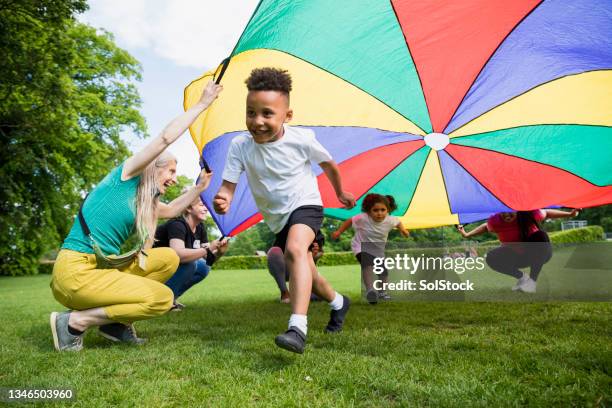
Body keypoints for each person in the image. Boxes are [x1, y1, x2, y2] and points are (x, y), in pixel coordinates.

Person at [49, 81, 223, 351]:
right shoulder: (125, 177)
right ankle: (75, 322)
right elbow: (165, 138)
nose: (174, 179)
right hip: (75, 273)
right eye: (171, 172)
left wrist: (199, 188)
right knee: (162, 299)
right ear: (154, 168)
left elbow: (173, 209)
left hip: (100, 269)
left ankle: (114, 325)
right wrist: (202, 104)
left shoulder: (145, 202)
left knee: (167, 257)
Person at [213, 67, 356, 354]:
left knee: (294, 250)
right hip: (277, 217)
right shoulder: (240, 146)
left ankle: (297, 328)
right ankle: (339, 303)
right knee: (308, 273)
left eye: (267, 114)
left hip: (305, 204)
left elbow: (329, 165)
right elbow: (227, 186)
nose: (257, 121)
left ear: (286, 116)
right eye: (251, 113)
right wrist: (223, 198)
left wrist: (340, 192)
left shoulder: (300, 139)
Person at [457, 209, 579, 293]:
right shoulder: (496, 221)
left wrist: (570, 214)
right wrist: (467, 234)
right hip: (516, 256)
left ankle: (532, 282)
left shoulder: (529, 214)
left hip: (537, 253)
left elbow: (546, 213)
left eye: (510, 212)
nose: (507, 215)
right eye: (503, 213)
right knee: (490, 257)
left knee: (541, 235)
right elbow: (485, 227)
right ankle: (522, 278)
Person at [331, 194, 409, 304]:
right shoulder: (363, 217)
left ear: (388, 210)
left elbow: (398, 222)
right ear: (368, 211)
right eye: (375, 210)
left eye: (383, 210)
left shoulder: (390, 220)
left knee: (383, 272)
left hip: (377, 250)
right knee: (367, 264)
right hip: (360, 246)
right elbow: (349, 221)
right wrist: (339, 232)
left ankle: (382, 292)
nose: (379, 213)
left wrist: (403, 230)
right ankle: (370, 291)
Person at [154, 196, 229, 311]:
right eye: (201, 205)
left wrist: (219, 252)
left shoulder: (200, 227)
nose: (206, 209)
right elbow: (178, 254)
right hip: (153, 267)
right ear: (189, 208)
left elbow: (207, 259)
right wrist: (209, 248)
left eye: (206, 206)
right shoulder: (177, 224)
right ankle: (162, 300)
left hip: (170, 267)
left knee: (203, 267)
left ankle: (171, 298)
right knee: (190, 264)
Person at [267, 232, 325, 304]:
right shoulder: (284, 230)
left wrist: (314, 255)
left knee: (320, 296)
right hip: (287, 267)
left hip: (305, 269)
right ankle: (285, 292)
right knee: (274, 251)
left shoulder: (315, 232)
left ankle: (303, 292)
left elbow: (318, 254)